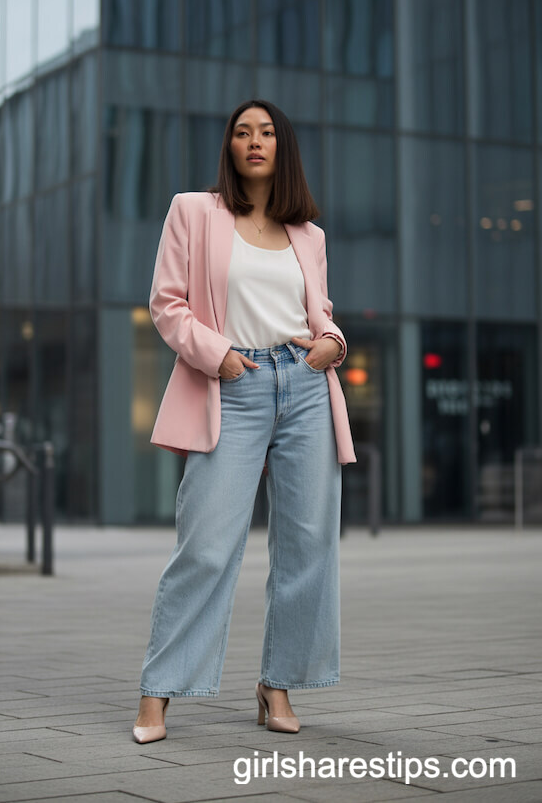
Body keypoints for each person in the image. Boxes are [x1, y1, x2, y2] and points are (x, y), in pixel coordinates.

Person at [133, 99, 357, 744]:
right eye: (241, 132)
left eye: (266, 133)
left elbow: (319, 310)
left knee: (308, 544)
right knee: (206, 544)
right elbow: (167, 304)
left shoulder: (309, 235)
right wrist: (219, 356)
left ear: (283, 147)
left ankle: (277, 684)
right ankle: (158, 691)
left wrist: (333, 341)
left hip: (306, 385)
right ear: (229, 147)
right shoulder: (193, 211)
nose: (254, 141)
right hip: (231, 385)